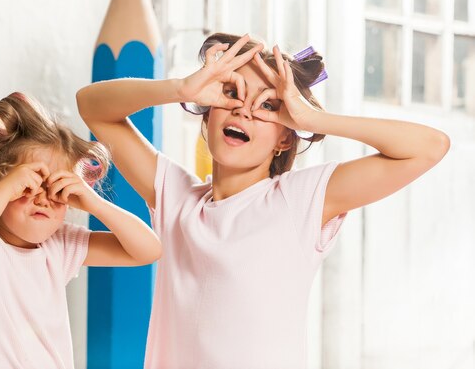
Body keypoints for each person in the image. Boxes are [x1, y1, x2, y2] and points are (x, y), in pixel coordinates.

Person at [76, 33, 450, 368]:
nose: (245, 110)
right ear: (207, 116)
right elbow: (92, 107)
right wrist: (181, 89)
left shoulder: (299, 201)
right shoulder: (177, 198)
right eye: (231, 94)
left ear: (285, 140)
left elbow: (430, 147)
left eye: (268, 106)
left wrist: (312, 118)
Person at [0, 92, 161, 369]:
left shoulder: (59, 245)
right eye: (28, 185)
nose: (43, 198)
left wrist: (94, 203)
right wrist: (7, 186)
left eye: (56, 189)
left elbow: (148, 250)